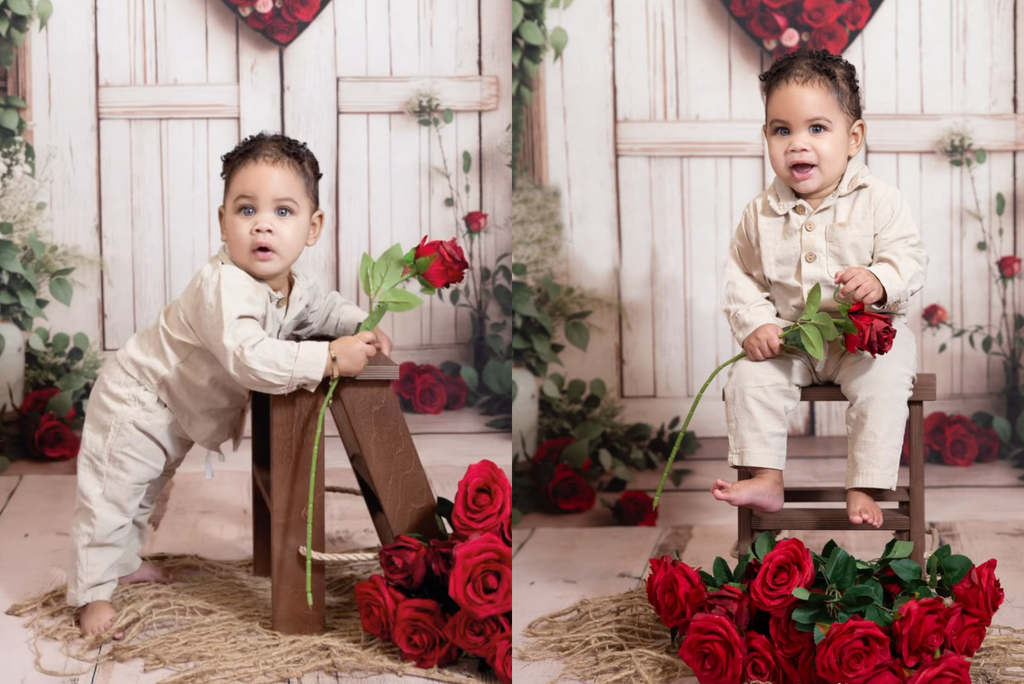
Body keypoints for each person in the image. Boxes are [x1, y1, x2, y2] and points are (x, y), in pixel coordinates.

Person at [69, 132, 392, 637]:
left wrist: (358, 325)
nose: (262, 223)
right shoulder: (224, 284)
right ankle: (91, 596)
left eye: (283, 211)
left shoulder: (291, 285)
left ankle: (123, 564)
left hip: (174, 407)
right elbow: (249, 357)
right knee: (113, 494)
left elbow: (323, 307)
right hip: (138, 396)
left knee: (146, 491)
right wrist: (329, 358)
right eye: (246, 210)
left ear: (314, 226)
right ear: (223, 222)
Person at [711, 50, 927, 530]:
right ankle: (766, 477)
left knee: (885, 383)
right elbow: (740, 277)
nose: (796, 144)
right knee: (748, 380)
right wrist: (757, 323)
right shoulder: (759, 213)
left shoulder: (880, 201)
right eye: (781, 130)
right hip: (794, 340)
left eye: (816, 128)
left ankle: (866, 482)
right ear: (765, 135)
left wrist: (880, 280)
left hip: (866, 340)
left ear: (853, 139)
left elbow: (909, 260)